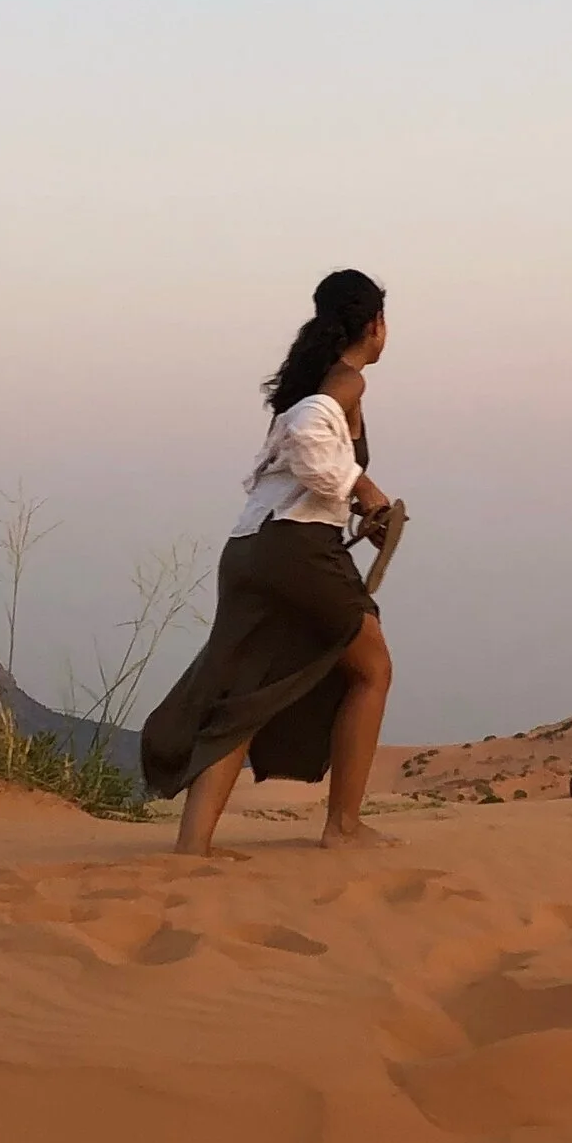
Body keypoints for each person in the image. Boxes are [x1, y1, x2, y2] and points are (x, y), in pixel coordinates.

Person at [140, 267, 397, 853]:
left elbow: (304, 464)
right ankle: (343, 827)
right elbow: (310, 439)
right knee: (372, 670)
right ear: (375, 324)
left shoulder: (313, 384)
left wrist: (359, 502)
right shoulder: (344, 382)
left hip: (250, 549)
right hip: (297, 549)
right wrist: (361, 489)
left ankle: (193, 846)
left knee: (248, 691)